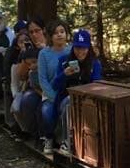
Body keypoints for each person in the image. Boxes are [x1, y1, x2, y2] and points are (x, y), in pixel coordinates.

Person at [51, 29, 103, 154]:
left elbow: (97, 83)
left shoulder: (94, 63)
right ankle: (67, 141)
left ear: (88, 48)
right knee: (69, 103)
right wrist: (64, 74)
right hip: (66, 98)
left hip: (88, 98)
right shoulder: (64, 61)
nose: (80, 52)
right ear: (73, 47)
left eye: (83, 48)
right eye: (77, 48)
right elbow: (55, 85)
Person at [38, 19, 71, 153]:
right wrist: (53, 96)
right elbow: (43, 79)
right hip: (50, 94)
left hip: (68, 93)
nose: (59, 35)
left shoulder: (72, 50)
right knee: (47, 111)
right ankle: (49, 138)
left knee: (67, 107)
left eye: (62, 31)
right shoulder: (44, 54)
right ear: (50, 36)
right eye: (56, 33)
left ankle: (66, 141)